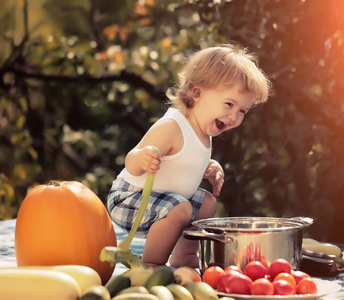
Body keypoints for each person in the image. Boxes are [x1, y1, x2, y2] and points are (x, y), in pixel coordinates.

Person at [107, 44, 271, 269]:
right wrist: (142, 157)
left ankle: (184, 257)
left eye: (242, 110)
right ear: (197, 92)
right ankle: (152, 262)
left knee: (207, 203)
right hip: (129, 199)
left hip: (164, 203)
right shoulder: (172, 127)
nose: (234, 116)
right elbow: (131, 163)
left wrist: (207, 165)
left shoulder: (203, 130)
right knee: (181, 208)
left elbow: (183, 161)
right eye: (229, 104)